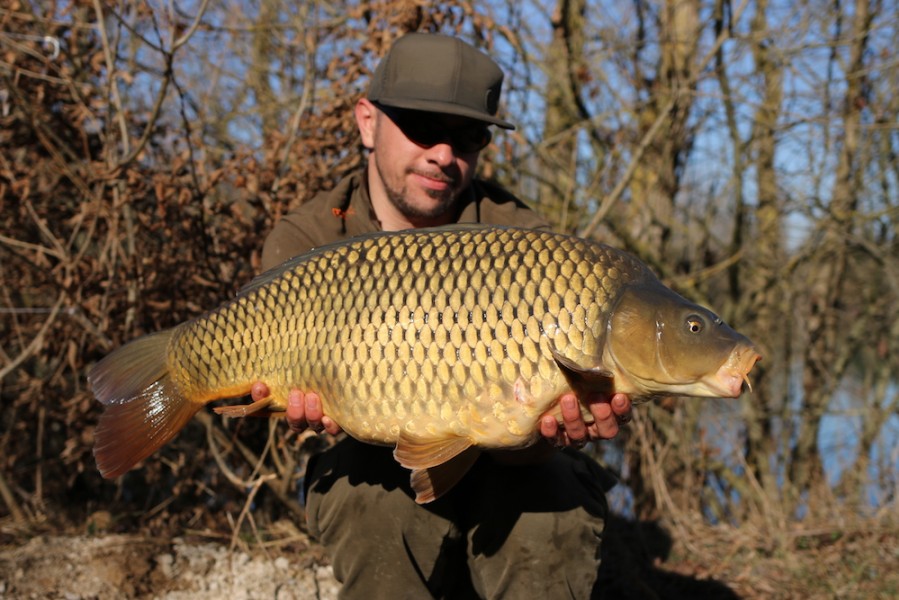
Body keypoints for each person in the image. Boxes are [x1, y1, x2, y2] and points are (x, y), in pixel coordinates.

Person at [252, 33, 632, 598]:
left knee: (548, 514)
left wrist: (548, 433)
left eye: (467, 137)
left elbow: (537, 425)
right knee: (370, 508)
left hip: (508, 465)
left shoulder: (526, 241)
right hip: (372, 457)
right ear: (367, 122)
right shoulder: (310, 239)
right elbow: (276, 398)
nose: (444, 155)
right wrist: (289, 399)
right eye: (423, 128)